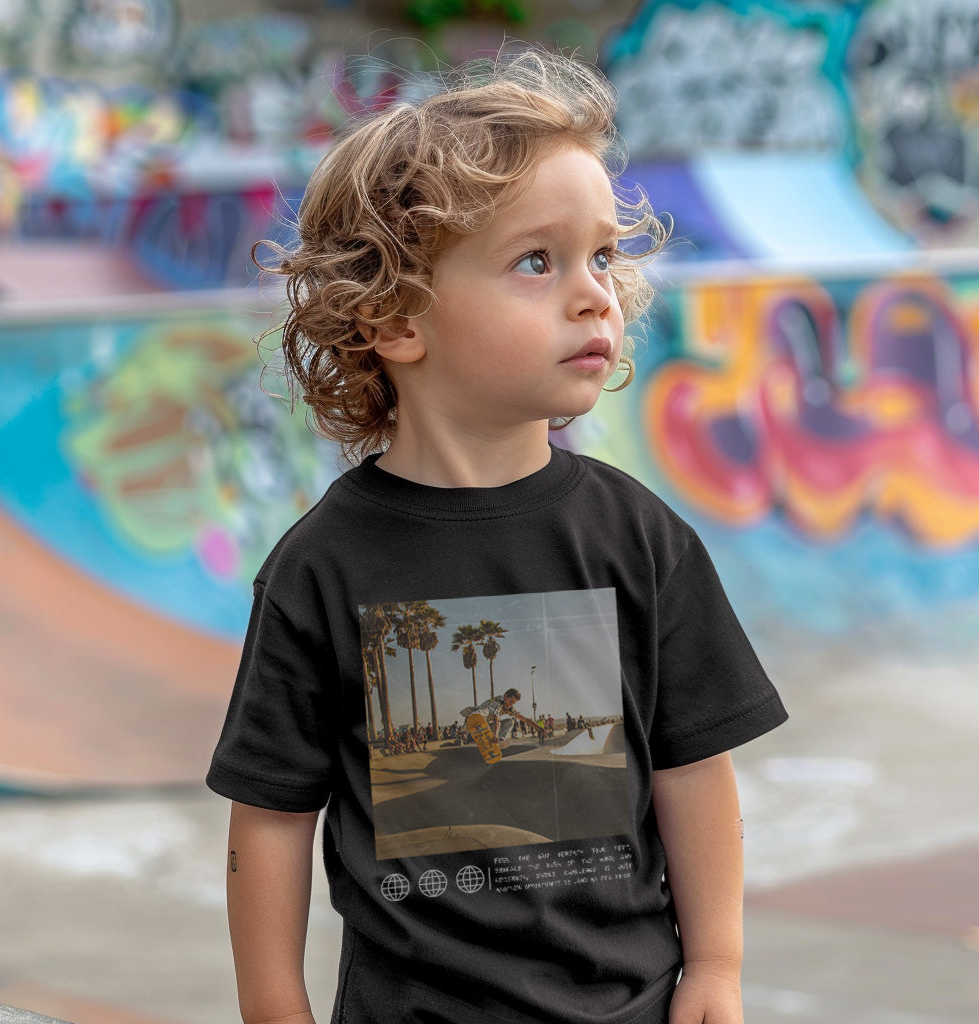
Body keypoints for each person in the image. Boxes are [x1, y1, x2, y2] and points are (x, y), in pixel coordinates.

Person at [206, 45, 787, 1024]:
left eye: (602, 255)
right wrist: (274, 1009)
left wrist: (716, 968)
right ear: (395, 318)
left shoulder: (639, 538)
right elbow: (269, 817)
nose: (593, 291)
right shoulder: (320, 568)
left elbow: (693, 770)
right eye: (537, 259)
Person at [460, 687, 543, 745]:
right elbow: (496, 719)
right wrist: (495, 733)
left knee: (510, 721)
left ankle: (499, 741)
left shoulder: (510, 709)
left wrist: (540, 729)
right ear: (505, 696)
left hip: (486, 725)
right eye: (510, 701)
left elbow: (525, 720)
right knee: (487, 711)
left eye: (513, 703)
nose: (510, 705)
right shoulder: (499, 700)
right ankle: (466, 729)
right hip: (477, 718)